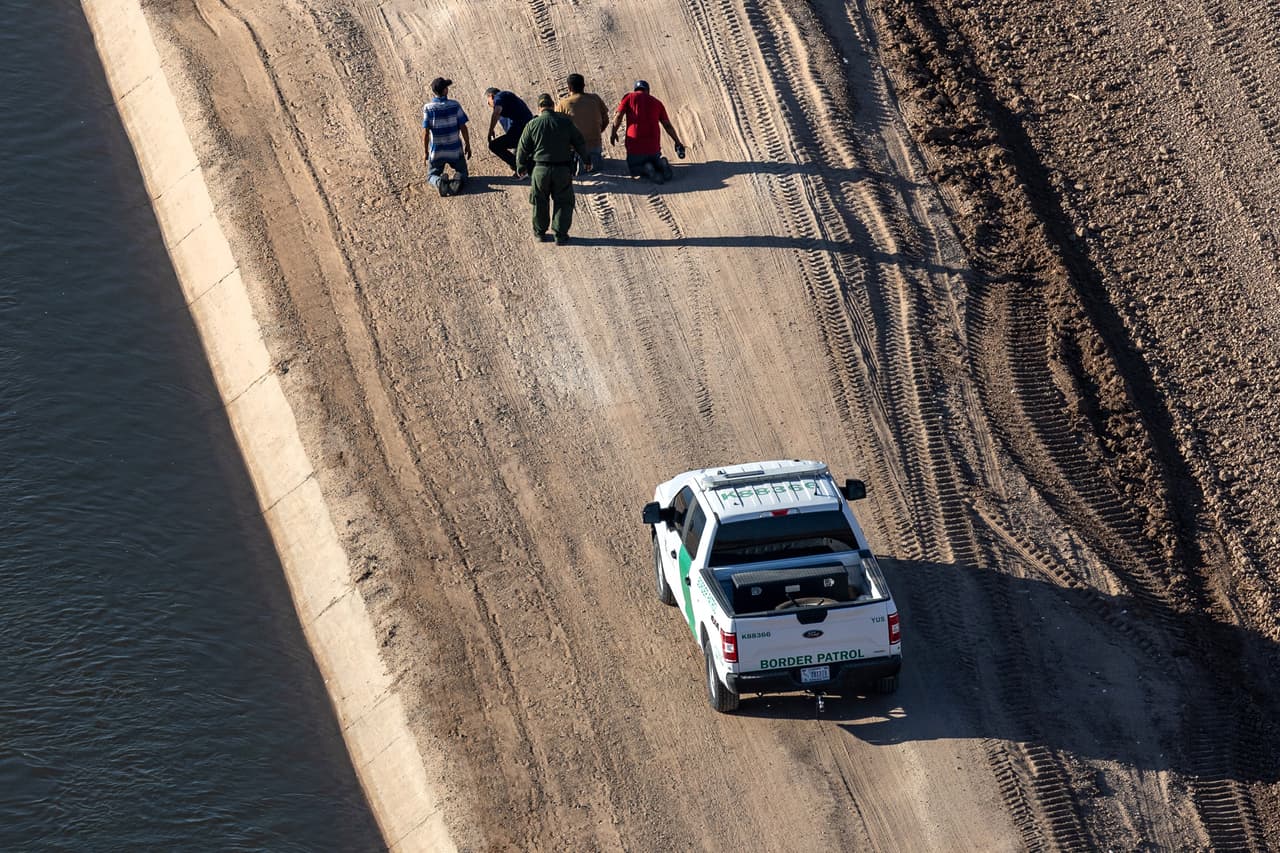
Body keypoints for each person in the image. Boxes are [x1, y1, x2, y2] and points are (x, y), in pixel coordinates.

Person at [516, 93, 590, 245]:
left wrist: (521, 166)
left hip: (540, 170)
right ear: (553, 106)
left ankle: (540, 233)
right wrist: (587, 160)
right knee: (563, 202)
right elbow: (579, 141)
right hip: (562, 169)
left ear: (539, 108)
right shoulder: (565, 122)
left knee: (539, 202)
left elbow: (522, 148)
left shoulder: (532, 124)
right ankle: (560, 235)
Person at [609, 80, 687, 184]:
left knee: (633, 168)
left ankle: (646, 169)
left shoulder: (629, 97)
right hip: (653, 150)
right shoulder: (657, 103)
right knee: (655, 159)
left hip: (635, 149)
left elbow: (618, 116)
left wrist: (613, 133)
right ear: (648, 91)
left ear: (635, 90)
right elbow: (667, 126)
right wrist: (677, 141)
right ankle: (661, 163)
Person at [421, 77, 472, 197]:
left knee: (431, 175)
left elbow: (426, 132)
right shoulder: (455, 105)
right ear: (445, 90)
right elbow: (463, 127)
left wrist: (425, 152)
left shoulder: (428, 108)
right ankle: (459, 178)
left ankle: (439, 182)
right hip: (454, 149)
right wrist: (468, 145)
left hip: (437, 151)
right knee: (463, 172)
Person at [555, 73, 609, 174]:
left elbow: (557, 129)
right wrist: (596, 132)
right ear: (584, 86)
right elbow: (606, 120)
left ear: (569, 88)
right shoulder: (595, 98)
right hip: (595, 147)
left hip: (576, 150)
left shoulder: (563, 104)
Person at [484, 87, 534, 175]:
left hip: (522, 131)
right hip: (525, 132)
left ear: (491, 96)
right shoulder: (507, 102)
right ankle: (525, 166)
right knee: (515, 160)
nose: (488, 104)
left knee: (494, 145)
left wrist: (490, 131)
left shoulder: (499, 96)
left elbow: (496, 112)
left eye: (488, 101)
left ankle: (523, 168)